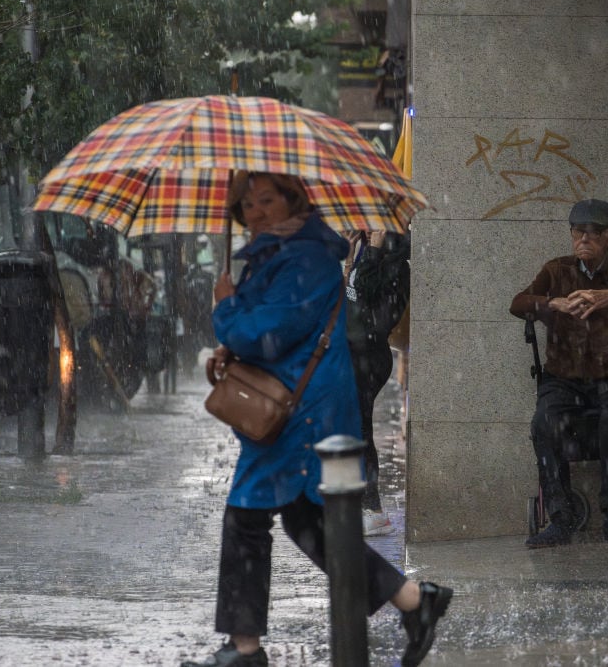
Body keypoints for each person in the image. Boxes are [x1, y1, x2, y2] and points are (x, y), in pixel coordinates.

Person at [182, 172, 450, 667]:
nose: (256, 211)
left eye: (267, 200)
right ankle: (415, 601)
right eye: (247, 203)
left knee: (247, 516)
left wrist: (225, 312)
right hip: (299, 405)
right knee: (309, 522)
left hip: (301, 416)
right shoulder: (281, 253)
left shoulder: (304, 257)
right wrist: (232, 340)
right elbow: (276, 330)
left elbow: (269, 333)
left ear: (294, 200)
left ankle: (244, 650)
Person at [509, 199, 608, 549]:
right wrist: (554, 303)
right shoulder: (556, 270)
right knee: (543, 424)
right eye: (578, 232)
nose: (584, 240)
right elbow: (518, 303)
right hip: (564, 378)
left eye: (593, 233)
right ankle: (560, 517)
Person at [343, 228, 411, 536]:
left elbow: (373, 305)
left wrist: (371, 251)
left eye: (374, 222)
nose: (368, 228)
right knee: (350, 427)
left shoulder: (396, 262)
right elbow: (349, 298)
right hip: (350, 353)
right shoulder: (361, 252)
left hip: (370, 356)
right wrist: (348, 256)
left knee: (359, 427)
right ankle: (357, 502)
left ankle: (373, 508)